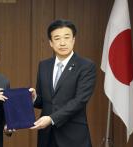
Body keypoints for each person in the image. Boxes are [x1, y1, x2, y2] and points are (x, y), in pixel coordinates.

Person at [30, 19, 96, 147]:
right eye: (57, 38)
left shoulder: (86, 66)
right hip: (47, 136)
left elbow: (80, 101)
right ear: (50, 43)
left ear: (73, 40)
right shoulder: (44, 65)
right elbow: (44, 101)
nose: (62, 43)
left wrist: (52, 119)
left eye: (66, 37)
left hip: (73, 136)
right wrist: (34, 98)